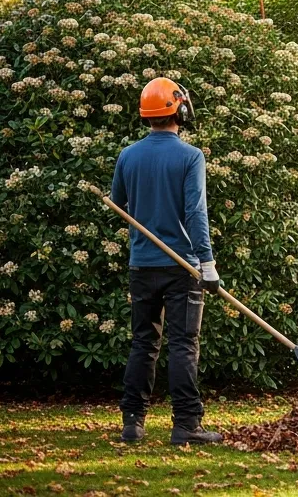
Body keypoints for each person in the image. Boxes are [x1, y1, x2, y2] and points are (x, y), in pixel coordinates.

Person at [113, 77, 223, 445]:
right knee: (182, 344)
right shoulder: (190, 156)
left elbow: (119, 201)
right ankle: (186, 425)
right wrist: (207, 262)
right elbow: (195, 213)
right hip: (183, 267)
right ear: (180, 109)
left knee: (143, 343)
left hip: (141, 265)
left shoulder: (127, 156)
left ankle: (133, 423)